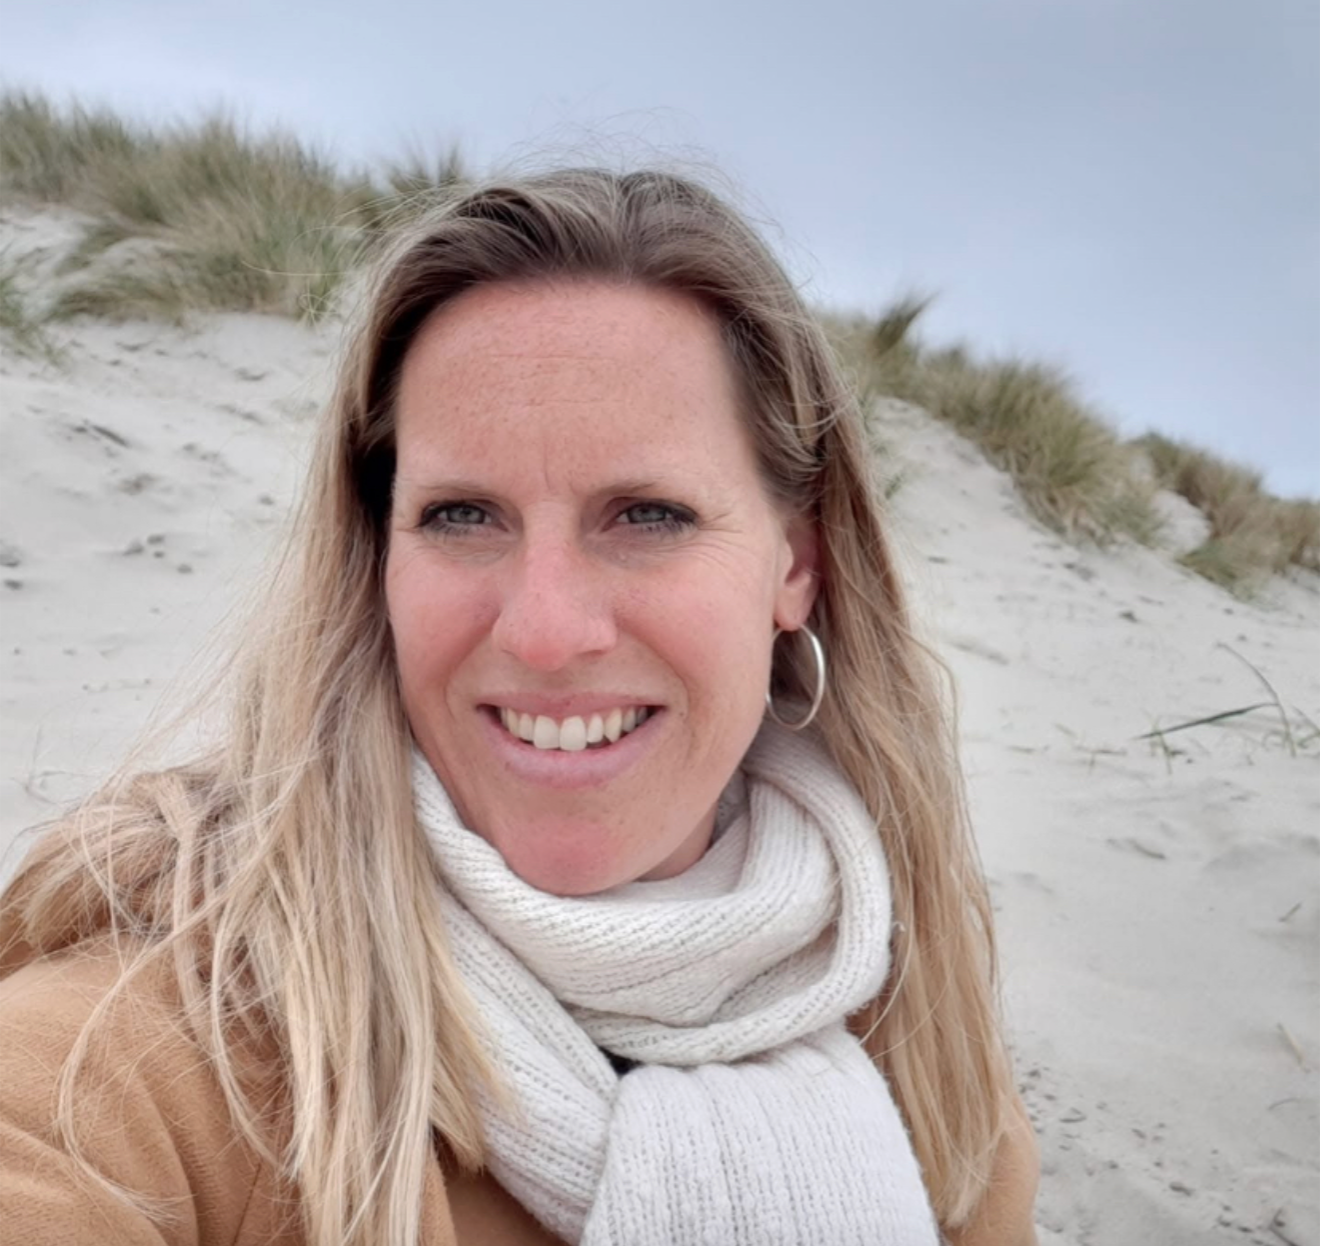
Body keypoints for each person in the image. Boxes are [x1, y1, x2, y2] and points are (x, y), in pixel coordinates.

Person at [0, 168, 1039, 1245]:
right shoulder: (146, 1053)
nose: (544, 632)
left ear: (797, 565)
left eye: (648, 515)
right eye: (462, 515)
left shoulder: (920, 1041)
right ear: (378, 556)